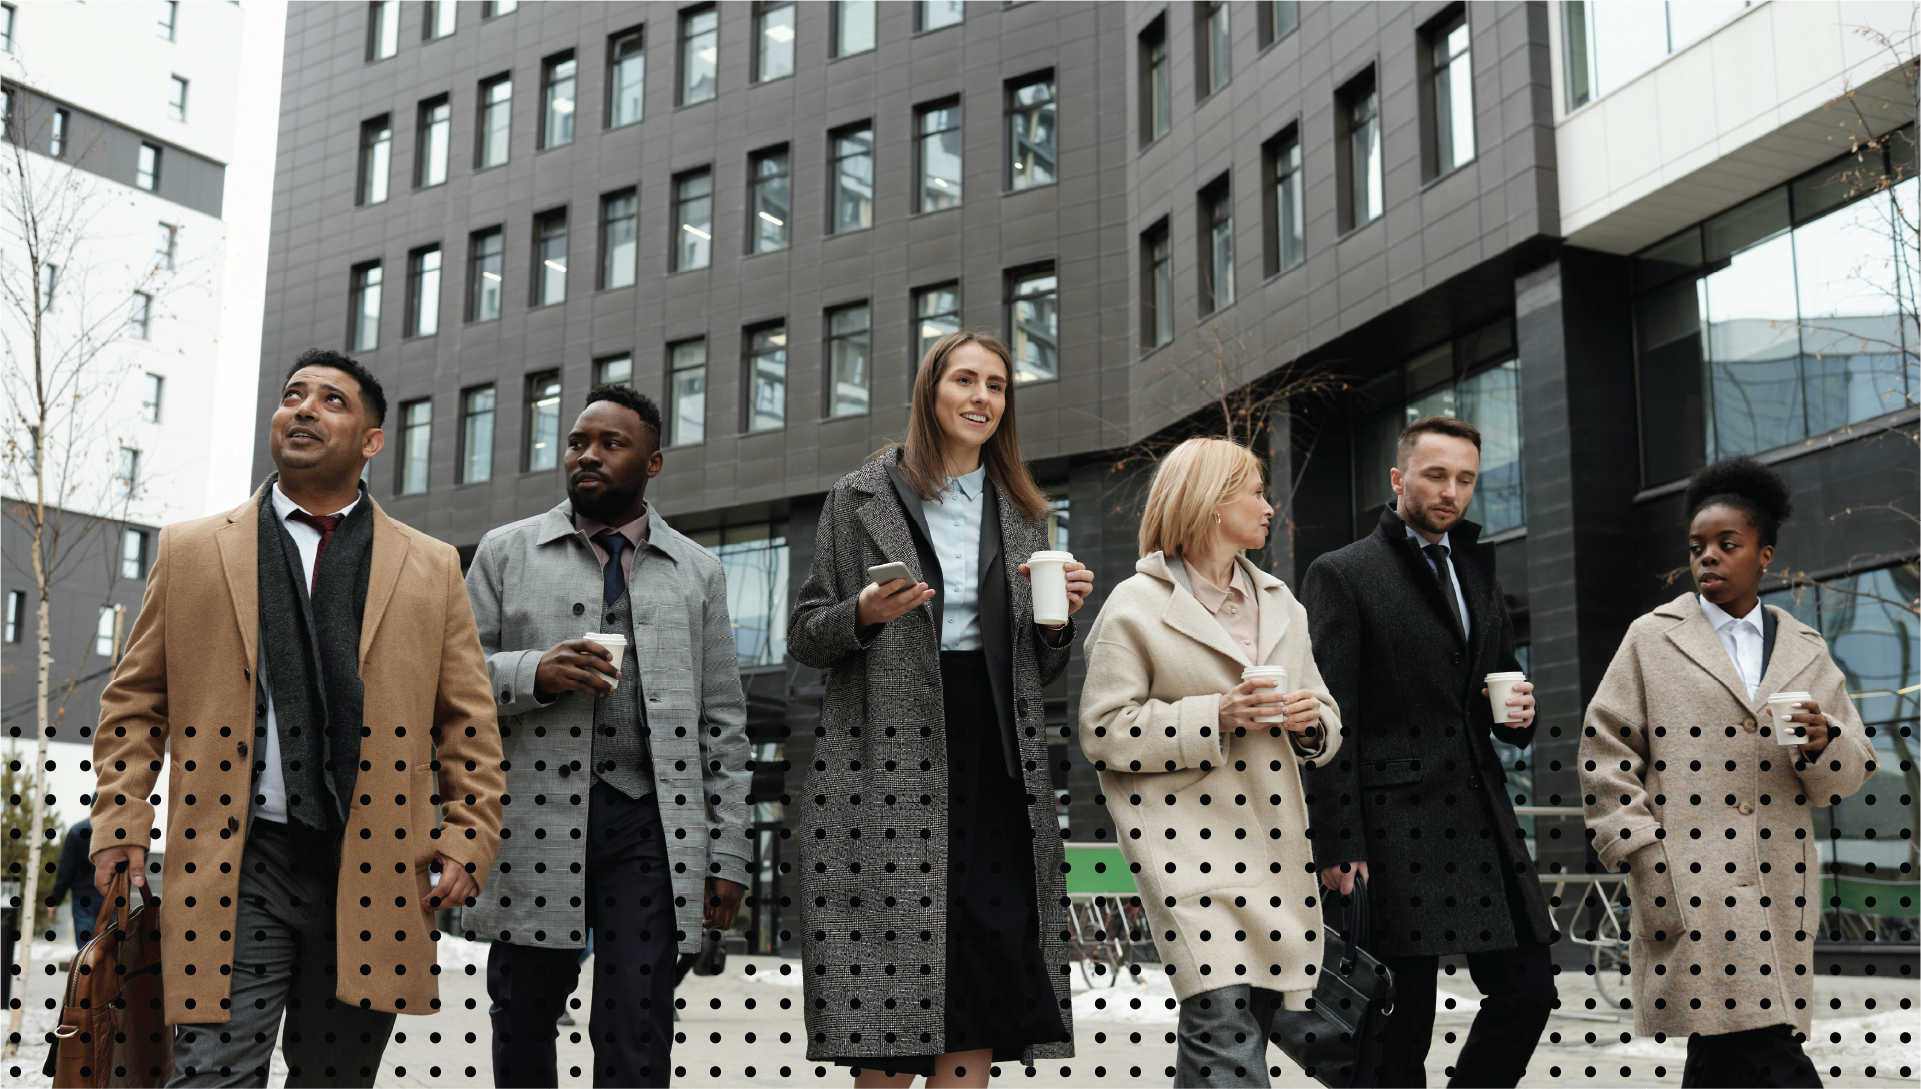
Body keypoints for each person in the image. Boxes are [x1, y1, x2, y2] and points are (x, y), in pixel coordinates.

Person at [89, 348, 506, 1089]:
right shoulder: (191, 551)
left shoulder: (430, 565)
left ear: (371, 440)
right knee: (212, 1074)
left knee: (336, 1079)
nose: (305, 409)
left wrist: (468, 835)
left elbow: (467, 724)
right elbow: (134, 703)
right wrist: (121, 821)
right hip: (237, 858)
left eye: (332, 401)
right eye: (292, 396)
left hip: (376, 863)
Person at [788, 330, 1093, 1086]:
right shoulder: (857, 497)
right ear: (931, 391)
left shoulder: (1024, 512)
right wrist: (861, 611)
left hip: (994, 753)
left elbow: (1042, 667)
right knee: (889, 972)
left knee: (985, 954)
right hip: (884, 759)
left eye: (996, 385)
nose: (982, 397)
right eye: (965, 380)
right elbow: (806, 634)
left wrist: (1058, 622)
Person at [464, 384, 751, 1089]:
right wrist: (535, 670)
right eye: (577, 442)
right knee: (522, 1012)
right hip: (531, 820)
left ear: (652, 462)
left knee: (636, 1018)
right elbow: (450, 679)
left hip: (649, 823)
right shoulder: (504, 552)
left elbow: (724, 720)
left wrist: (731, 852)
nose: (587, 455)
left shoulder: (698, 571)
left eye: (610, 444)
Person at [1580, 457, 1876, 1089]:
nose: (1707, 557)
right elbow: (1604, 747)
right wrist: (1639, 848)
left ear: (1764, 555)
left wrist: (1825, 744)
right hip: (1689, 880)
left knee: (1725, 1053)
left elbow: (1845, 774)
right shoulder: (1651, 639)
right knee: (1768, 1050)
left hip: (1778, 881)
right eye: (1697, 547)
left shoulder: (1806, 649)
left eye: (1727, 544)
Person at [1299, 415, 1556, 1089]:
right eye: (1435, 474)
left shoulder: (1476, 568)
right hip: (1392, 832)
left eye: (1464, 478)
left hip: (1481, 820)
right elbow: (1332, 721)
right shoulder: (1341, 573)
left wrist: (1521, 717)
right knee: (1396, 1027)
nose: (1450, 490)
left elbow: (1496, 683)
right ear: (1397, 478)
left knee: (1528, 991)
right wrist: (1335, 842)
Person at [1079, 438, 1341, 1089]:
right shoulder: (1133, 605)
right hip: (1184, 849)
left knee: (1239, 1024)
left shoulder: (1282, 603)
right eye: (1254, 489)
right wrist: (1215, 715)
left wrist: (1310, 724)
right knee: (1221, 1025)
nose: (1268, 505)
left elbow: (1327, 722)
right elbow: (1103, 732)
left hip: (1274, 847)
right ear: (1209, 499)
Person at [44, 818, 97, 943]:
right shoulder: (118, 830)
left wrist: (55, 899)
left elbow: (65, 869)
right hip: (112, 894)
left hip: (83, 897)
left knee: (86, 948)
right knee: (113, 948)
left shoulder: (77, 830)